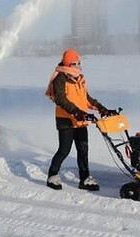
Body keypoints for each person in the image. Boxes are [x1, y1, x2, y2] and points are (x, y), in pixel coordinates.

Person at [45, 49, 112, 191]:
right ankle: (52, 175)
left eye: (79, 63)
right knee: (64, 150)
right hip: (66, 120)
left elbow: (86, 98)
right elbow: (61, 100)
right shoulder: (60, 78)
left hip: (81, 119)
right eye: (76, 63)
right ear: (69, 64)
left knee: (83, 149)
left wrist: (102, 108)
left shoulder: (80, 78)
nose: (78, 66)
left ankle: (85, 178)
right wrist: (77, 112)